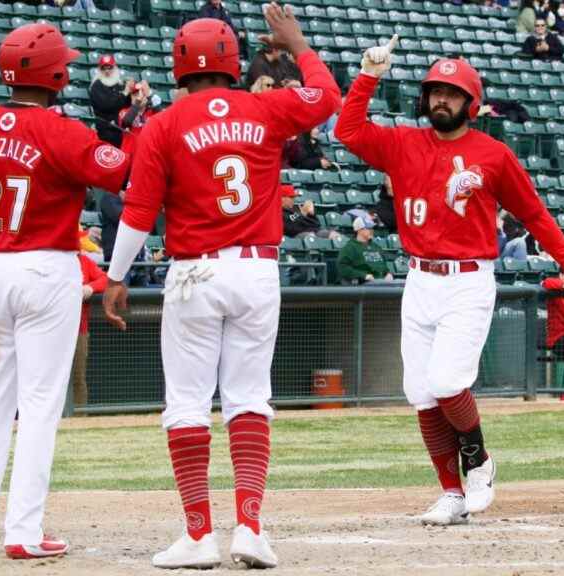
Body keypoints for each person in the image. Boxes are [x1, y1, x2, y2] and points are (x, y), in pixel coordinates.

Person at [102, 6, 340, 569]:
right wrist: (298, 45)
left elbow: (138, 210)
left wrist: (115, 276)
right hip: (257, 268)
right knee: (249, 399)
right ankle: (251, 528)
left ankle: (197, 534)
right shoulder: (265, 106)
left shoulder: (165, 123)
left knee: (187, 404)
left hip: (195, 272)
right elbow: (328, 99)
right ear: (233, 62)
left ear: (179, 65)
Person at [335, 41, 564, 526]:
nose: (441, 99)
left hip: (467, 280)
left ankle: (479, 461)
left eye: (452, 93)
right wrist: (368, 75)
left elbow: (534, 214)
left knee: (445, 382)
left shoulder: (494, 154)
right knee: (420, 392)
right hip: (419, 279)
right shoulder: (402, 144)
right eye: (435, 91)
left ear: (470, 103)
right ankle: (451, 493)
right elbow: (347, 130)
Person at [0, 23, 131, 560]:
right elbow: (119, 174)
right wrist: (128, 127)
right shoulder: (60, 129)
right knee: (40, 406)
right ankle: (24, 532)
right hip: (46, 267)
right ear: (56, 74)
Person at [72, 252, 108, 407]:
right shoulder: (47, 259)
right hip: (47, 331)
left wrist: (90, 287)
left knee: (78, 377)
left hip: (78, 330)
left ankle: (79, 419)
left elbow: (105, 279)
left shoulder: (83, 260)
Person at [89, 54, 133, 146]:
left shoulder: (119, 84)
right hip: (105, 130)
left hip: (120, 128)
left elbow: (127, 104)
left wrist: (130, 91)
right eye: (104, 68)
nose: (107, 71)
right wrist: (125, 93)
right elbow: (107, 105)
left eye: (110, 68)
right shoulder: (97, 85)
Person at [337, 217, 392, 284]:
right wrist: (363, 276)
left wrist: (388, 273)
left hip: (382, 282)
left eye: (372, 228)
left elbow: (384, 266)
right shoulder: (350, 247)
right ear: (359, 230)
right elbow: (343, 268)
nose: (372, 231)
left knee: (403, 284)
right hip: (365, 283)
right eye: (368, 228)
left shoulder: (376, 247)